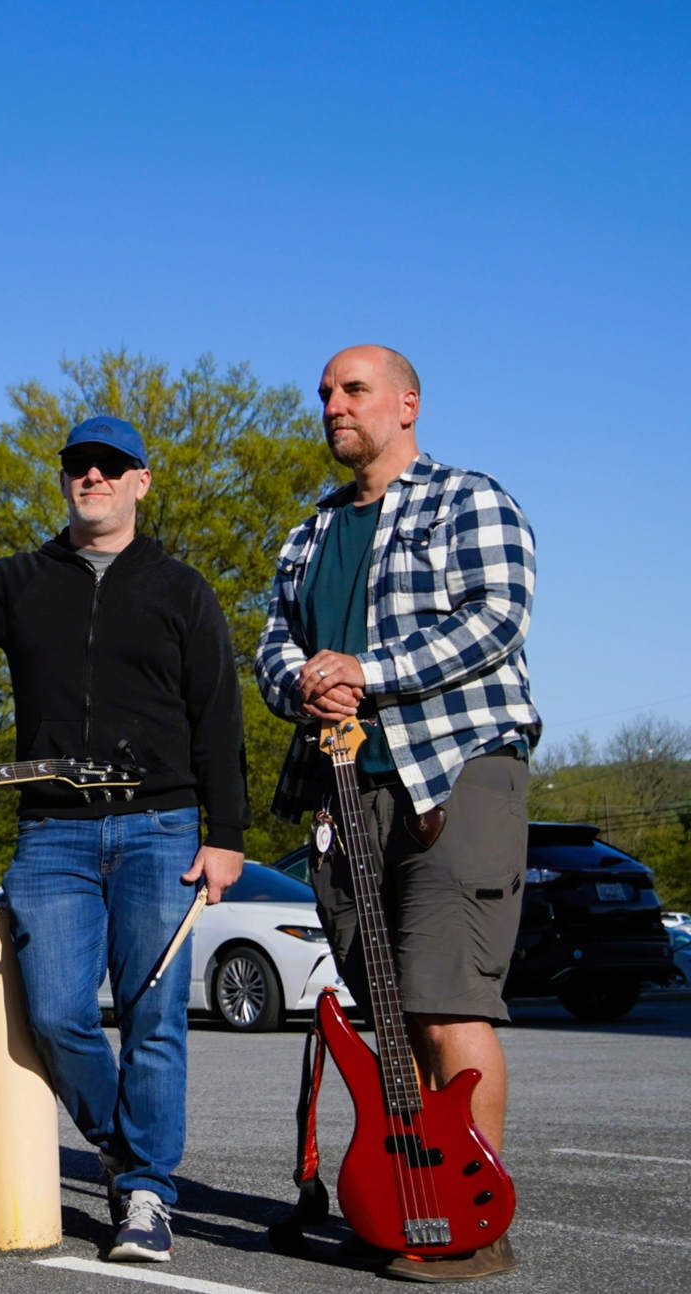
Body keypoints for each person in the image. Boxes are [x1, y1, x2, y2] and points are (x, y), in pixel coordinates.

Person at [0, 415, 249, 1264]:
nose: (93, 477)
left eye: (111, 466)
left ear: (141, 481)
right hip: (53, 837)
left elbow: (219, 715)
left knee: (152, 1018)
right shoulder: (22, 581)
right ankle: (127, 1152)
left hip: (162, 828)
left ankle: (146, 1196)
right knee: (63, 1014)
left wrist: (229, 835)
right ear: (66, 480)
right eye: (79, 465)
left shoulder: (182, 590)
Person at [255, 345, 536, 1283]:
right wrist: (304, 685)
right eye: (326, 393)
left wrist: (369, 673)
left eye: (354, 389)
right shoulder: (308, 533)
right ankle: (415, 1201)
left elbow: (497, 616)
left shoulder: (466, 499)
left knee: (448, 996)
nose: (334, 404)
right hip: (344, 790)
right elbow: (271, 651)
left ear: (407, 404)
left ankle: (473, 1227)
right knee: (387, 1011)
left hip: (458, 773)